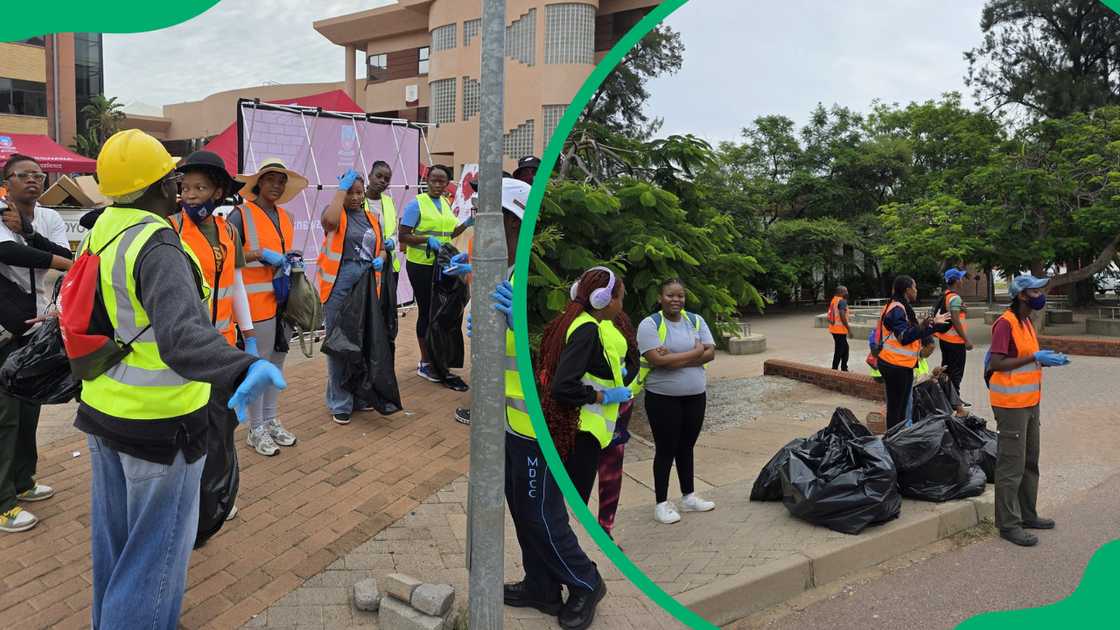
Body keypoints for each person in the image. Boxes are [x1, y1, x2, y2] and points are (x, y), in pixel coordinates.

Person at [77, 129, 285, 628]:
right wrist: (243, 364)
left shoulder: (100, 229)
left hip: (106, 414)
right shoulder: (157, 243)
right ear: (156, 185)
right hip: (160, 426)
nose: (179, 186)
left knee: (117, 549)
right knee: (154, 559)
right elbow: (181, 335)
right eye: (171, 178)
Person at [511, 265, 626, 629]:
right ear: (602, 299)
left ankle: (579, 582)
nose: (621, 304)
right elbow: (563, 386)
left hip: (556, 431)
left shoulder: (575, 322)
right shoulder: (587, 328)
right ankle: (549, 585)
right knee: (539, 512)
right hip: (568, 432)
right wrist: (603, 394)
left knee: (542, 513)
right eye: (619, 297)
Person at [171, 151, 258, 529]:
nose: (190, 194)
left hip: (221, 346)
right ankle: (186, 501)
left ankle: (215, 500)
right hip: (184, 347)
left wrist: (249, 335)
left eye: (199, 187)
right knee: (186, 427)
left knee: (220, 429)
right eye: (185, 187)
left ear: (218, 191)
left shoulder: (228, 231)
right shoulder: (169, 230)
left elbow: (236, 284)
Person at [0, 154, 73, 534]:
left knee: (30, 409)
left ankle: (23, 481)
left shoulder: (48, 218)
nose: (33, 180)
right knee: (5, 417)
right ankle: (2, 502)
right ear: (6, 181)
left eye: (39, 175)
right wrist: (59, 262)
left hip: (39, 328)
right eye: (23, 175)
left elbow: (67, 257)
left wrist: (27, 229)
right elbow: (6, 251)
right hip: (5, 329)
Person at [227, 160, 308, 456]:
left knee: (277, 363)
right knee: (259, 366)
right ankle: (255, 428)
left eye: (281, 181)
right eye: (271, 179)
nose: (276, 185)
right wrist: (259, 254)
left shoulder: (286, 216)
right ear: (258, 183)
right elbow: (226, 253)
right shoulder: (240, 215)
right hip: (255, 303)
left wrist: (289, 260)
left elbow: (283, 254)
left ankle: (271, 419)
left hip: (283, 300)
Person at [987, 275, 1069, 547]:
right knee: (1011, 464)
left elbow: (1023, 361)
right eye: (1035, 290)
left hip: (1030, 402)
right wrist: (1035, 357)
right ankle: (1008, 524)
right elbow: (997, 362)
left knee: (1030, 460)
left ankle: (1027, 514)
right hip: (1010, 405)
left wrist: (1044, 360)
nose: (1040, 294)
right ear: (1022, 295)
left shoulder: (1026, 322)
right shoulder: (1005, 323)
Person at [636, 278, 717, 524]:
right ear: (660, 298)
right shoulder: (650, 324)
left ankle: (688, 496)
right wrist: (695, 353)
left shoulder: (696, 320)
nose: (676, 300)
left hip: (695, 396)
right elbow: (656, 360)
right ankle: (661, 502)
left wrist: (674, 357)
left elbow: (711, 352)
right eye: (670, 295)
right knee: (666, 448)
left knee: (686, 446)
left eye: (680, 295)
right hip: (663, 399)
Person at [319, 168, 389, 424]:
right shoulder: (335, 213)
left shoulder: (372, 218)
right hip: (339, 288)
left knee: (361, 343)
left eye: (359, 193)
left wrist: (382, 257)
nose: (357, 197)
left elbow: (380, 248)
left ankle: (358, 394)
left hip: (367, 289)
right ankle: (339, 401)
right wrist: (340, 190)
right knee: (338, 344)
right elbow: (329, 223)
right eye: (351, 192)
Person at [398, 165, 473, 390]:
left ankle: (439, 358)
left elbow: (448, 233)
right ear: (427, 180)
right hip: (421, 265)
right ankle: (425, 362)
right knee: (427, 311)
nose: (438, 185)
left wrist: (466, 224)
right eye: (434, 180)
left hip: (442, 264)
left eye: (442, 181)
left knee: (441, 312)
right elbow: (403, 235)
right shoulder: (416, 204)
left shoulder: (446, 204)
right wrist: (425, 240)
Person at [873, 275, 949, 430]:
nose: (916, 290)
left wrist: (932, 324)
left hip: (901, 365)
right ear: (907, 290)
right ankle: (894, 441)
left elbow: (912, 332)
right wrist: (928, 326)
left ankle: (899, 439)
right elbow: (905, 337)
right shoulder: (897, 309)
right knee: (896, 409)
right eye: (914, 287)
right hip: (894, 365)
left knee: (900, 409)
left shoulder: (900, 306)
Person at [935, 267, 973, 397]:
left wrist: (963, 310)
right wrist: (966, 340)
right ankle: (955, 401)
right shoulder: (955, 298)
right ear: (957, 281)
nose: (962, 281)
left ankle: (946, 397)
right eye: (961, 278)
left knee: (946, 369)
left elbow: (953, 314)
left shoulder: (946, 295)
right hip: (956, 341)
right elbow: (956, 320)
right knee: (956, 373)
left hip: (945, 339)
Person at [364, 160, 400, 278]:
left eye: (386, 179)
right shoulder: (357, 200)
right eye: (378, 176)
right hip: (366, 264)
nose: (382, 181)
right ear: (370, 176)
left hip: (389, 266)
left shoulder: (389, 202)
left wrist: (393, 242)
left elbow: (394, 232)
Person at [827, 286, 850, 371]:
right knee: (840, 350)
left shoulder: (834, 300)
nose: (847, 293)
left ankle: (844, 367)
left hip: (834, 329)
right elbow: (842, 314)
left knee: (844, 348)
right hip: (840, 330)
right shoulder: (842, 301)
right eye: (845, 291)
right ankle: (835, 369)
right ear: (840, 292)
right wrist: (849, 328)